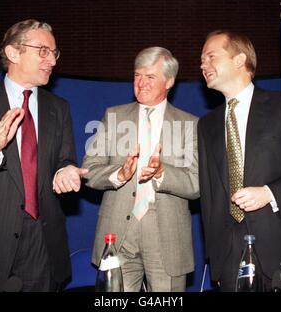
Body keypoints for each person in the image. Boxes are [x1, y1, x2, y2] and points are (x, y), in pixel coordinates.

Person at [0, 19, 87, 291]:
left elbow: (63, 159)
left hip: (43, 247)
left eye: (54, 53)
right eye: (42, 50)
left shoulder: (59, 108)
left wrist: (65, 170)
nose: (52, 61)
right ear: (13, 53)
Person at [198, 30, 281, 291]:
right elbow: (209, 193)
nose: (203, 65)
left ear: (239, 60)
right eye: (202, 60)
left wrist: (270, 193)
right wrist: (216, 260)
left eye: (211, 56)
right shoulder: (207, 125)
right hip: (229, 261)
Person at [82, 47, 199, 292]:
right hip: (117, 235)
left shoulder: (190, 124)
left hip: (167, 238)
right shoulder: (113, 116)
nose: (141, 83)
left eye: (150, 77)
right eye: (137, 75)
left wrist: (162, 173)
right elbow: (89, 170)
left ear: (169, 81)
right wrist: (119, 174)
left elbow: (196, 184)